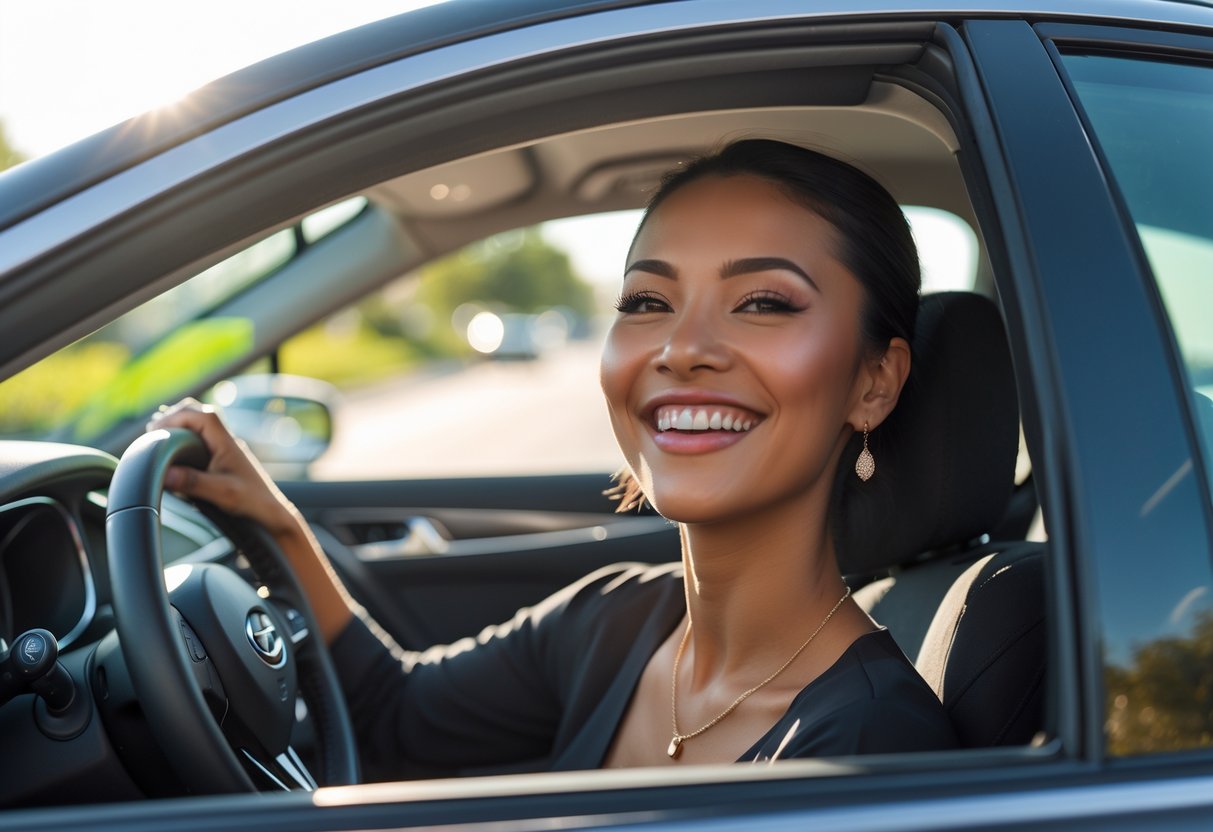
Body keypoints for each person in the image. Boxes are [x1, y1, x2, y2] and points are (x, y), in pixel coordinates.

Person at [152, 139, 957, 779]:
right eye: (647, 302)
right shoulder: (617, 618)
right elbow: (394, 713)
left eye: (762, 303)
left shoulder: (878, 746)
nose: (680, 348)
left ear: (873, 383)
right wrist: (282, 529)